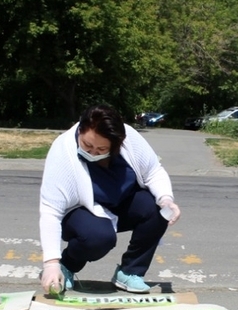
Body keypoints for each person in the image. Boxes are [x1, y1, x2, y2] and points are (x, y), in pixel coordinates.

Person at [39, 104, 181, 295]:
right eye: (87, 145)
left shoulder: (129, 139)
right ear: (80, 131)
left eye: (101, 149)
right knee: (98, 237)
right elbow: (50, 211)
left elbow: (153, 171)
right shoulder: (62, 153)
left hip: (119, 203)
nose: (93, 153)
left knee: (157, 210)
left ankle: (130, 272)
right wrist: (51, 263)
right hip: (80, 211)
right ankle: (67, 265)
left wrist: (166, 199)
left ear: (116, 145)